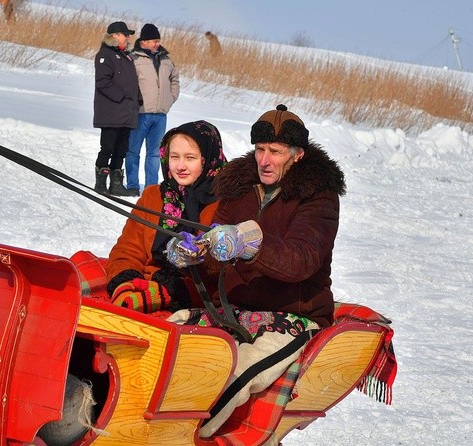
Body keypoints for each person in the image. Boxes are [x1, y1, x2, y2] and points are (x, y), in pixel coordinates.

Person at [165, 104, 346, 438]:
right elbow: (218, 247)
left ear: (298, 154)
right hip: (235, 308)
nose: (264, 160)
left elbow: (302, 259)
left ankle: (189, 438)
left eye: (275, 152)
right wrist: (197, 251)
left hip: (292, 315)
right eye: (260, 149)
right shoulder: (238, 187)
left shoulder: (319, 197)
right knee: (164, 339)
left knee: (233, 380)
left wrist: (251, 244)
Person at [105, 120, 227, 314]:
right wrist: (125, 284)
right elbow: (128, 249)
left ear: (208, 159)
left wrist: (170, 292)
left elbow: (218, 275)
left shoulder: (224, 204)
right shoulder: (153, 196)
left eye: (190, 158)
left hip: (191, 298)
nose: (180, 166)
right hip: (141, 284)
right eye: (174, 157)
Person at [125, 24, 180, 197]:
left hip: (160, 115)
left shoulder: (166, 60)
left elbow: (175, 80)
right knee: (133, 151)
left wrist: (169, 99)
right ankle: (133, 185)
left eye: (158, 41)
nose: (157, 44)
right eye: (154, 41)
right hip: (140, 113)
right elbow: (128, 83)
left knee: (155, 154)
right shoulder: (134, 59)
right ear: (145, 41)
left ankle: (151, 189)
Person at [93, 21, 140, 197]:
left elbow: (131, 84)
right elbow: (103, 82)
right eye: (125, 35)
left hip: (127, 113)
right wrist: (122, 97)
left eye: (128, 35)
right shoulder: (105, 55)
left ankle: (116, 185)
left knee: (121, 150)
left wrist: (138, 100)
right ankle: (100, 184)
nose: (128, 38)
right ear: (114, 36)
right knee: (107, 148)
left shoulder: (126, 57)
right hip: (111, 112)